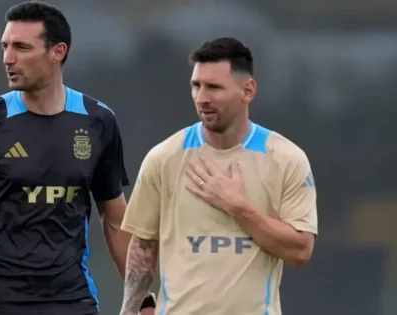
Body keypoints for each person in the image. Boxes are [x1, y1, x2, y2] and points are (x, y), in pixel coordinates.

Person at [0, 1, 155, 315]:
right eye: (5, 46)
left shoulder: (98, 120)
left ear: (58, 52)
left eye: (22, 47)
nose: (8, 58)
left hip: (73, 299)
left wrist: (142, 297)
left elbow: (116, 219)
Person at [119, 37, 318, 315]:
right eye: (196, 86)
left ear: (248, 90)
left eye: (214, 87)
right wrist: (129, 310)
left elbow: (300, 251)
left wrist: (238, 208)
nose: (202, 98)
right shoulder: (164, 158)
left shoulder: (286, 159)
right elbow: (143, 247)